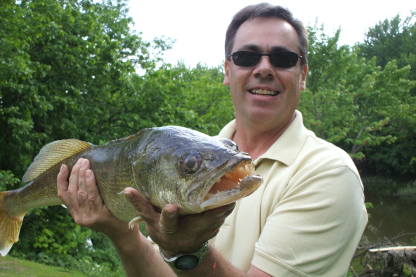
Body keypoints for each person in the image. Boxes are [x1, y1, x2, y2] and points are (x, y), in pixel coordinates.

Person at [57, 3, 368, 276]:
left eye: (283, 58)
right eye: (246, 56)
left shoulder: (328, 173)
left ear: (302, 74)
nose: (263, 68)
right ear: (227, 71)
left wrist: (192, 253)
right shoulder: (188, 161)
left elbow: (188, 262)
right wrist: (122, 234)